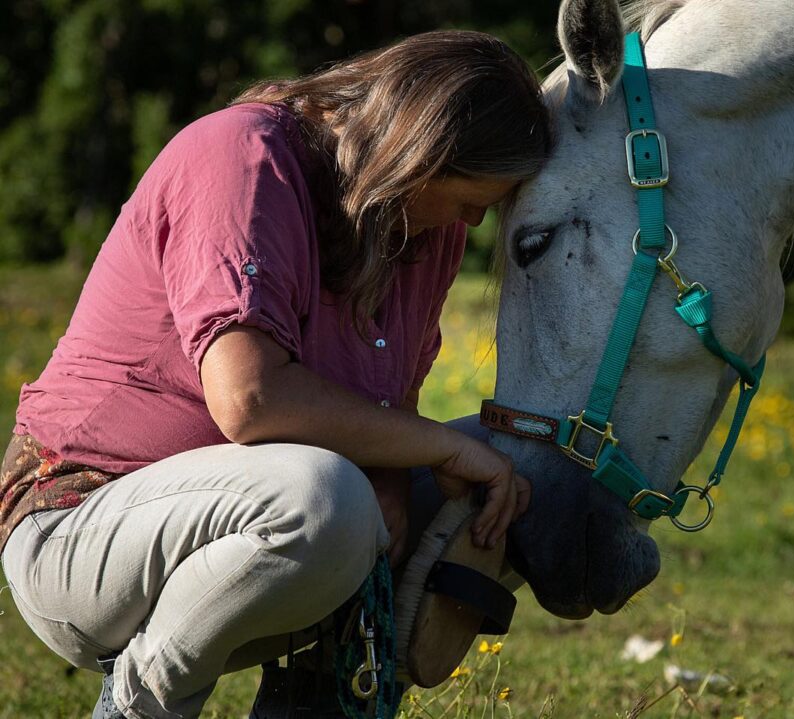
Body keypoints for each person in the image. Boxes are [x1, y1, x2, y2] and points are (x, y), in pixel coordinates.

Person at [0, 29, 551, 719]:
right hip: (81, 528)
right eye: (469, 195)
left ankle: (323, 699)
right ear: (419, 151)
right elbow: (249, 399)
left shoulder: (424, 232)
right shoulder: (243, 157)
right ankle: (142, 705)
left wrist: (402, 491)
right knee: (326, 500)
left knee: (516, 475)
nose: (473, 222)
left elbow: (388, 409)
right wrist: (438, 447)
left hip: (249, 520)